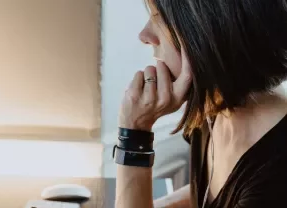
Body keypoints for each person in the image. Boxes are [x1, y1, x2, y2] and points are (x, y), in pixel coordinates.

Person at [114, 0, 287, 207]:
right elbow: (217, 193)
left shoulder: (277, 171)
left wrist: (134, 134)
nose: (144, 35)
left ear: (211, 27)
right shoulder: (215, 106)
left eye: (160, 17)